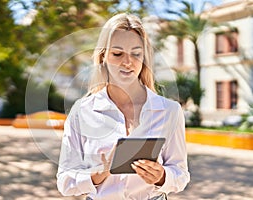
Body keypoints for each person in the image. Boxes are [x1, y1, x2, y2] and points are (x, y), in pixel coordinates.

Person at [56, 13, 190, 200]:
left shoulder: (170, 111)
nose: (127, 62)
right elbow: (65, 182)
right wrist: (100, 173)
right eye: (117, 54)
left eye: (136, 54)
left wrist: (162, 177)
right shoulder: (82, 111)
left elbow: (181, 175)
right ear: (103, 57)